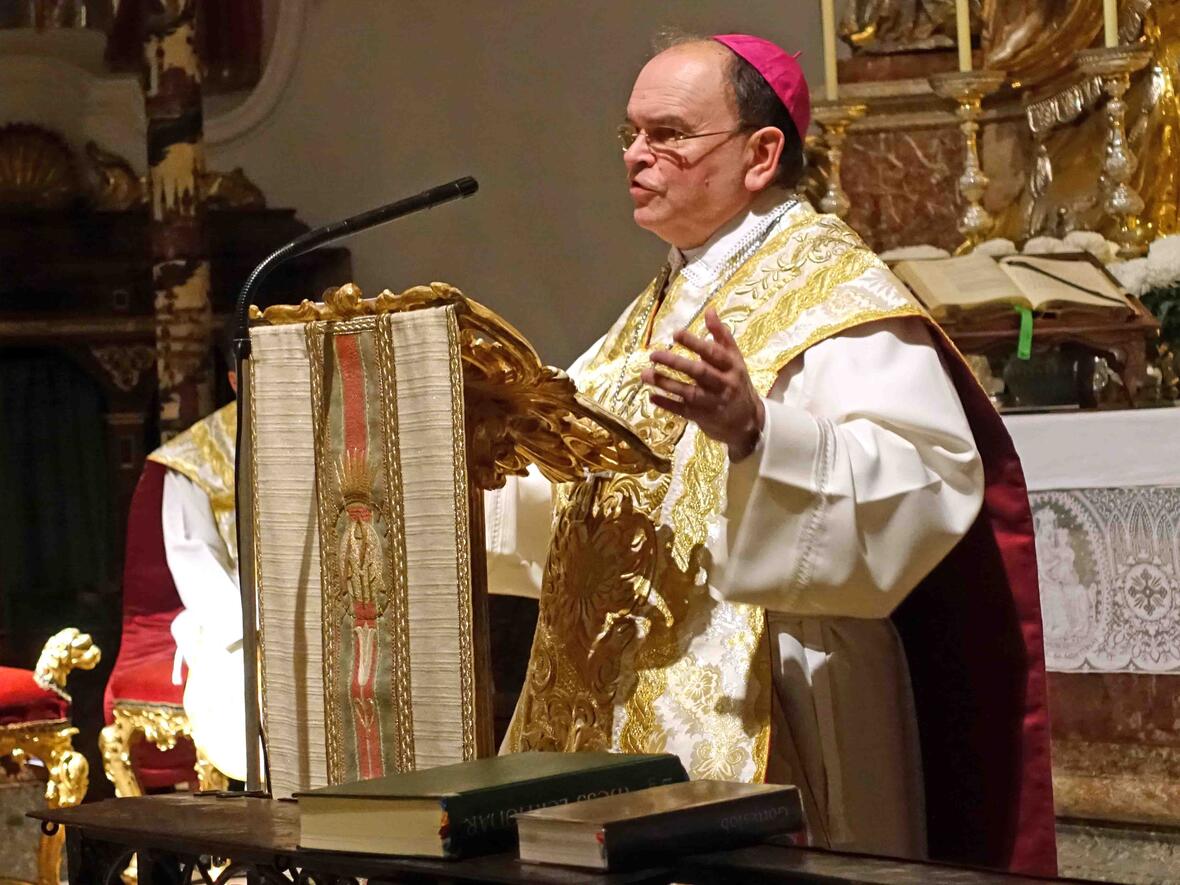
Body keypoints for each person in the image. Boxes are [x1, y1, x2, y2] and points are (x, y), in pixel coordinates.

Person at [486, 32, 1056, 875]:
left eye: (669, 133)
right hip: (626, 692)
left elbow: (925, 478)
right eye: (630, 134)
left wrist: (760, 436)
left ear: (760, 154)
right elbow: (586, 485)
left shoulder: (837, 291)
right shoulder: (660, 302)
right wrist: (477, 471)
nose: (637, 156)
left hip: (780, 691)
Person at [147, 328, 245, 782]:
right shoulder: (196, 457)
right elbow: (195, 560)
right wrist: (249, 634)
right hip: (242, 621)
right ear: (235, 379)